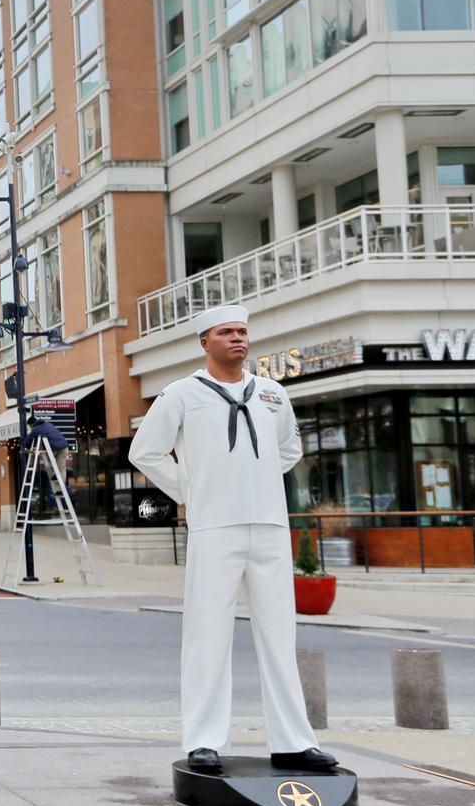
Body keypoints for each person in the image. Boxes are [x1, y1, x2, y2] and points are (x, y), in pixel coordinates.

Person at [129, 303, 337, 776]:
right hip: (214, 527)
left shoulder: (272, 393)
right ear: (205, 341)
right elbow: (146, 452)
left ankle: (294, 742)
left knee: (280, 635)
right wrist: (193, 490)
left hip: (269, 525)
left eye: (242, 331)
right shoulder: (181, 394)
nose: (238, 338)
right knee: (207, 635)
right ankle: (204, 741)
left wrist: (253, 478)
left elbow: (289, 448)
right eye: (226, 332)